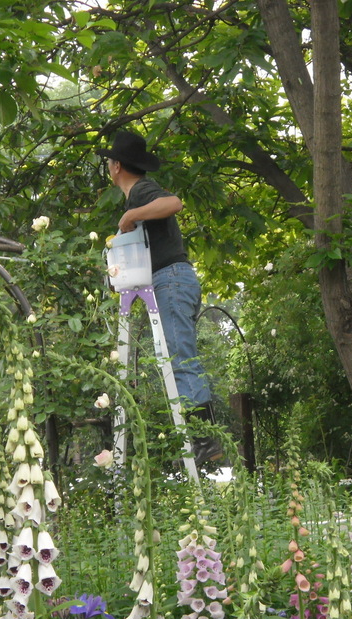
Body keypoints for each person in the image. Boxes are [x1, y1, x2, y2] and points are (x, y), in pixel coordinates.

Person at [98, 129, 222, 464]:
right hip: (170, 281)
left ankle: (205, 439)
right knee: (177, 356)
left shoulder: (141, 191)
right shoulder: (137, 195)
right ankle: (201, 437)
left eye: (109, 161)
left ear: (116, 166)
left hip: (171, 280)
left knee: (181, 357)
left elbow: (174, 203)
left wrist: (131, 215)